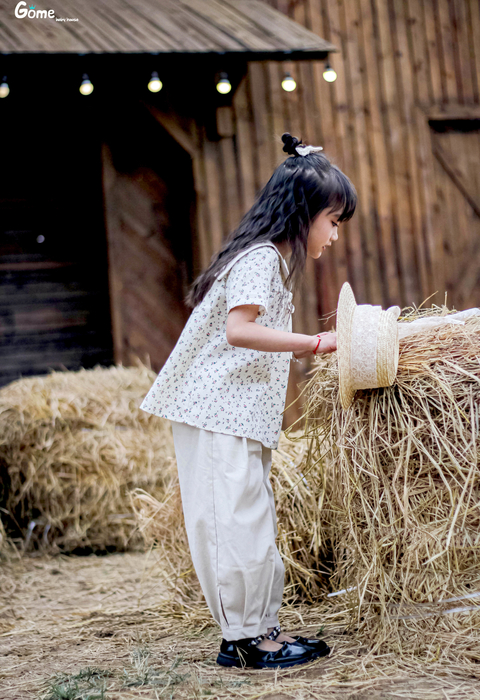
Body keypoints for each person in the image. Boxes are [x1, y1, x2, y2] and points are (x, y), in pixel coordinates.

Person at [139, 133, 357, 669]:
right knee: (232, 521)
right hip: (216, 411)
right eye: (332, 220)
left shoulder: (272, 261)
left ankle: (261, 630)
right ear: (304, 213)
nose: (333, 234)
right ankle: (246, 641)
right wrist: (311, 343)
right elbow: (240, 330)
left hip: (234, 414)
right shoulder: (261, 259)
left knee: (249, 519)